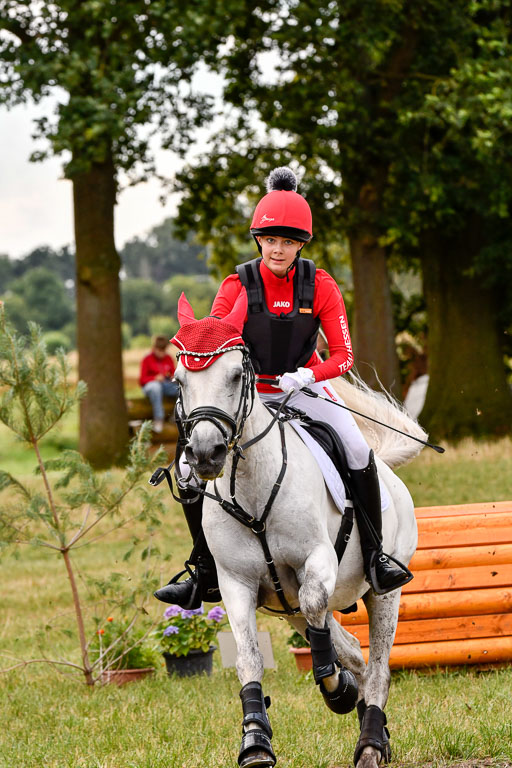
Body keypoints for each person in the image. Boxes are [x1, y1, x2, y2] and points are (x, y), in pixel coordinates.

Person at [155, 167, 411, 608]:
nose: (278, 249)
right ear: (259, 240)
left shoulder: (322, 285)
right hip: (247, 396)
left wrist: (310, 375)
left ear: (301, 244)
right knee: (185, 468)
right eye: (271, 240)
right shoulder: (236, 284)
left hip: (304, 387)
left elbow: (344, 356)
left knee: (355, 448)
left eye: (288, 242)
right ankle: (203, 568)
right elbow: (216, 341)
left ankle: (376, 557)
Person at [139, 335, 178, 433]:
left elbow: (173, 373)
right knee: (156, 387)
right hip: (151, 386)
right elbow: (142, 380)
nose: (162, 353)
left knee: (181, 388)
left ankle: (176, 416)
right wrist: (154, 378)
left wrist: (173, 377)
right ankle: (159, 419)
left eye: (163, 351)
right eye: (159, 350)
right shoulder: (147, 359)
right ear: (154, 348)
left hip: (166, 385)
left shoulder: (168, 358)